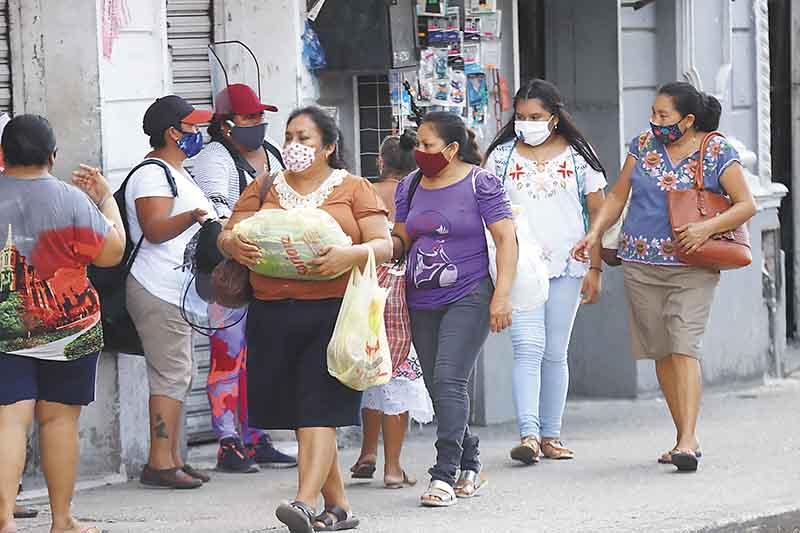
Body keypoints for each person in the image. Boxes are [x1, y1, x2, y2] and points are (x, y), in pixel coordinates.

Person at [218, 106, 391, 532]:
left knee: (319, 409)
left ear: (329, 146)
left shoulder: (353, 188)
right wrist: (233, 246)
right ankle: (340, 508)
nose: (294, 146)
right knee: (305, 414)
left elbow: (383, 245)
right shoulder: (264, 186)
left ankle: (304, 501)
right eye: (290, 137)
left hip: (333, 314)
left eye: (305, 139)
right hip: (272, 313)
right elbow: (229, 232)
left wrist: (349, 254)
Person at [572, 82, 757, 472]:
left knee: (684, 345)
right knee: (661, 352)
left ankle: (688, 441)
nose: (656, 123)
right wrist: (594, 233)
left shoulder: (717, 150)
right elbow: (618, 196)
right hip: (640, 264)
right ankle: (681, 435)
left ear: (688, 120)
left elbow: (746, 205)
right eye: (653, 114)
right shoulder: (642, 146)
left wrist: (706, 229)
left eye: (664, 116)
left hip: (693, 266)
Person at [0, 114, 126, 533]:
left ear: (3, 154)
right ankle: (62, 520)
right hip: (69, 330)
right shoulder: (71, 200)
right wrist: (106, 200)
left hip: (4, 330)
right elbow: (111, 253)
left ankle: (3, 521)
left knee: (8, 422)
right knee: (58, 422)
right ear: (52, 156)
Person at [391, 112, 517, 507]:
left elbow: (506, 239)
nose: (420, 152)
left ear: (451, 149)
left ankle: (443, 474)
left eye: (428, 146)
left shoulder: (481, 183)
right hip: (420, 297)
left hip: (471, 292)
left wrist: (502, 296)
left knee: (448, 377)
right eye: (417, 145)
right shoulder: (409, 186)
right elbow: (401, 237)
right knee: (436, 384)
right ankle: (470, 459)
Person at [484, 79, 606, 465]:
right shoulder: (500, 159)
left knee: (555, 351)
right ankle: (529, 434)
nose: (527, 123)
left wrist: (596, 267)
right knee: (527, 347)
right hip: (518, 266)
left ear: (554, 118)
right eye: (520, 117)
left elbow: (599, 213)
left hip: (569, 264)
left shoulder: (578, 158)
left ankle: (551, 434)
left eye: (535, 117)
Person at [191, 83, 296, 473]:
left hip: (269, 269)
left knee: (261, 356)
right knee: (228, 354)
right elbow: (215, 212)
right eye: (249, 117)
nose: (258, 123)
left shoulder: (270, 153)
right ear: (226, 124)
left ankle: (256, 434)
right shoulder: (213, 158)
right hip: (229, 271)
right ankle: (227, 440)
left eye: (260, 116)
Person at [125, 95, 215, 489]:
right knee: (170, 374)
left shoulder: (179, 172)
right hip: (155, 287)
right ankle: (160, 462)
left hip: (176, 290)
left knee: (180, 373)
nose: (198, 132)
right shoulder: (151, 174)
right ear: (171, 132)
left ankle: (174, 457)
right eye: (191, 127)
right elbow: (156, 228)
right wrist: (192, 217)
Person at [350, 131, 434, 489]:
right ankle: (393, 467)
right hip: (402, 290)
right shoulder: (415, 193)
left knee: (370, 371)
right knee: (397, 373)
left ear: (380, 162)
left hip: (364, 286)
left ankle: (367, 452)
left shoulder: (363, 191)